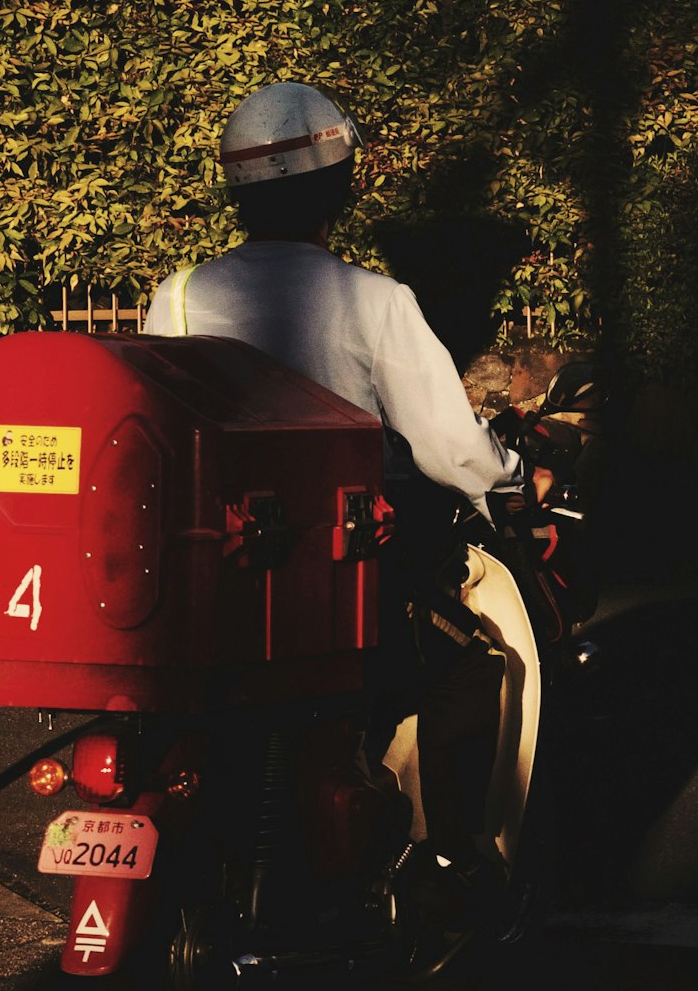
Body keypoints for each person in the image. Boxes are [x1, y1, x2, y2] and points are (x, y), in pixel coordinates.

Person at [143, 80, 531, 926]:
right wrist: (507, 473)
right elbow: (447, 449)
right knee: (473, 664)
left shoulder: (174, 296)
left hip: (216, 581)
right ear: (338, 187)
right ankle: (454, 859)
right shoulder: (376, 301)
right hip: (337, 581)